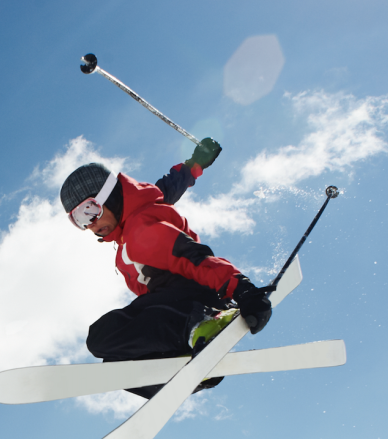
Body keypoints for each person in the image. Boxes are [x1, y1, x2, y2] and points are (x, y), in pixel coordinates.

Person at [60, 138, 274, 399]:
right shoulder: (134, 221)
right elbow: (163, 190)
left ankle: (203, 326)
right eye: (78, 220)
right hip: (172, 306)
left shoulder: (141, 231)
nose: (90, 225)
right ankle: (193, 372)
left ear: (111, 196)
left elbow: (193, 258)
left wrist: (243, 289)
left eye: (89, 210)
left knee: (101, 336)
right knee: (116, 367)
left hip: (191, 301)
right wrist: (195, 164)